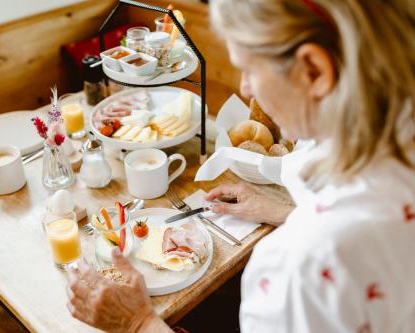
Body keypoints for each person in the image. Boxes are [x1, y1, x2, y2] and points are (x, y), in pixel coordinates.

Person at [67, 0, 415, 331]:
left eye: (249, 69)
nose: (246, 90)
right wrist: (280, 211)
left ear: (314, 70)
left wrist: (138, 322)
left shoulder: (303, 265)